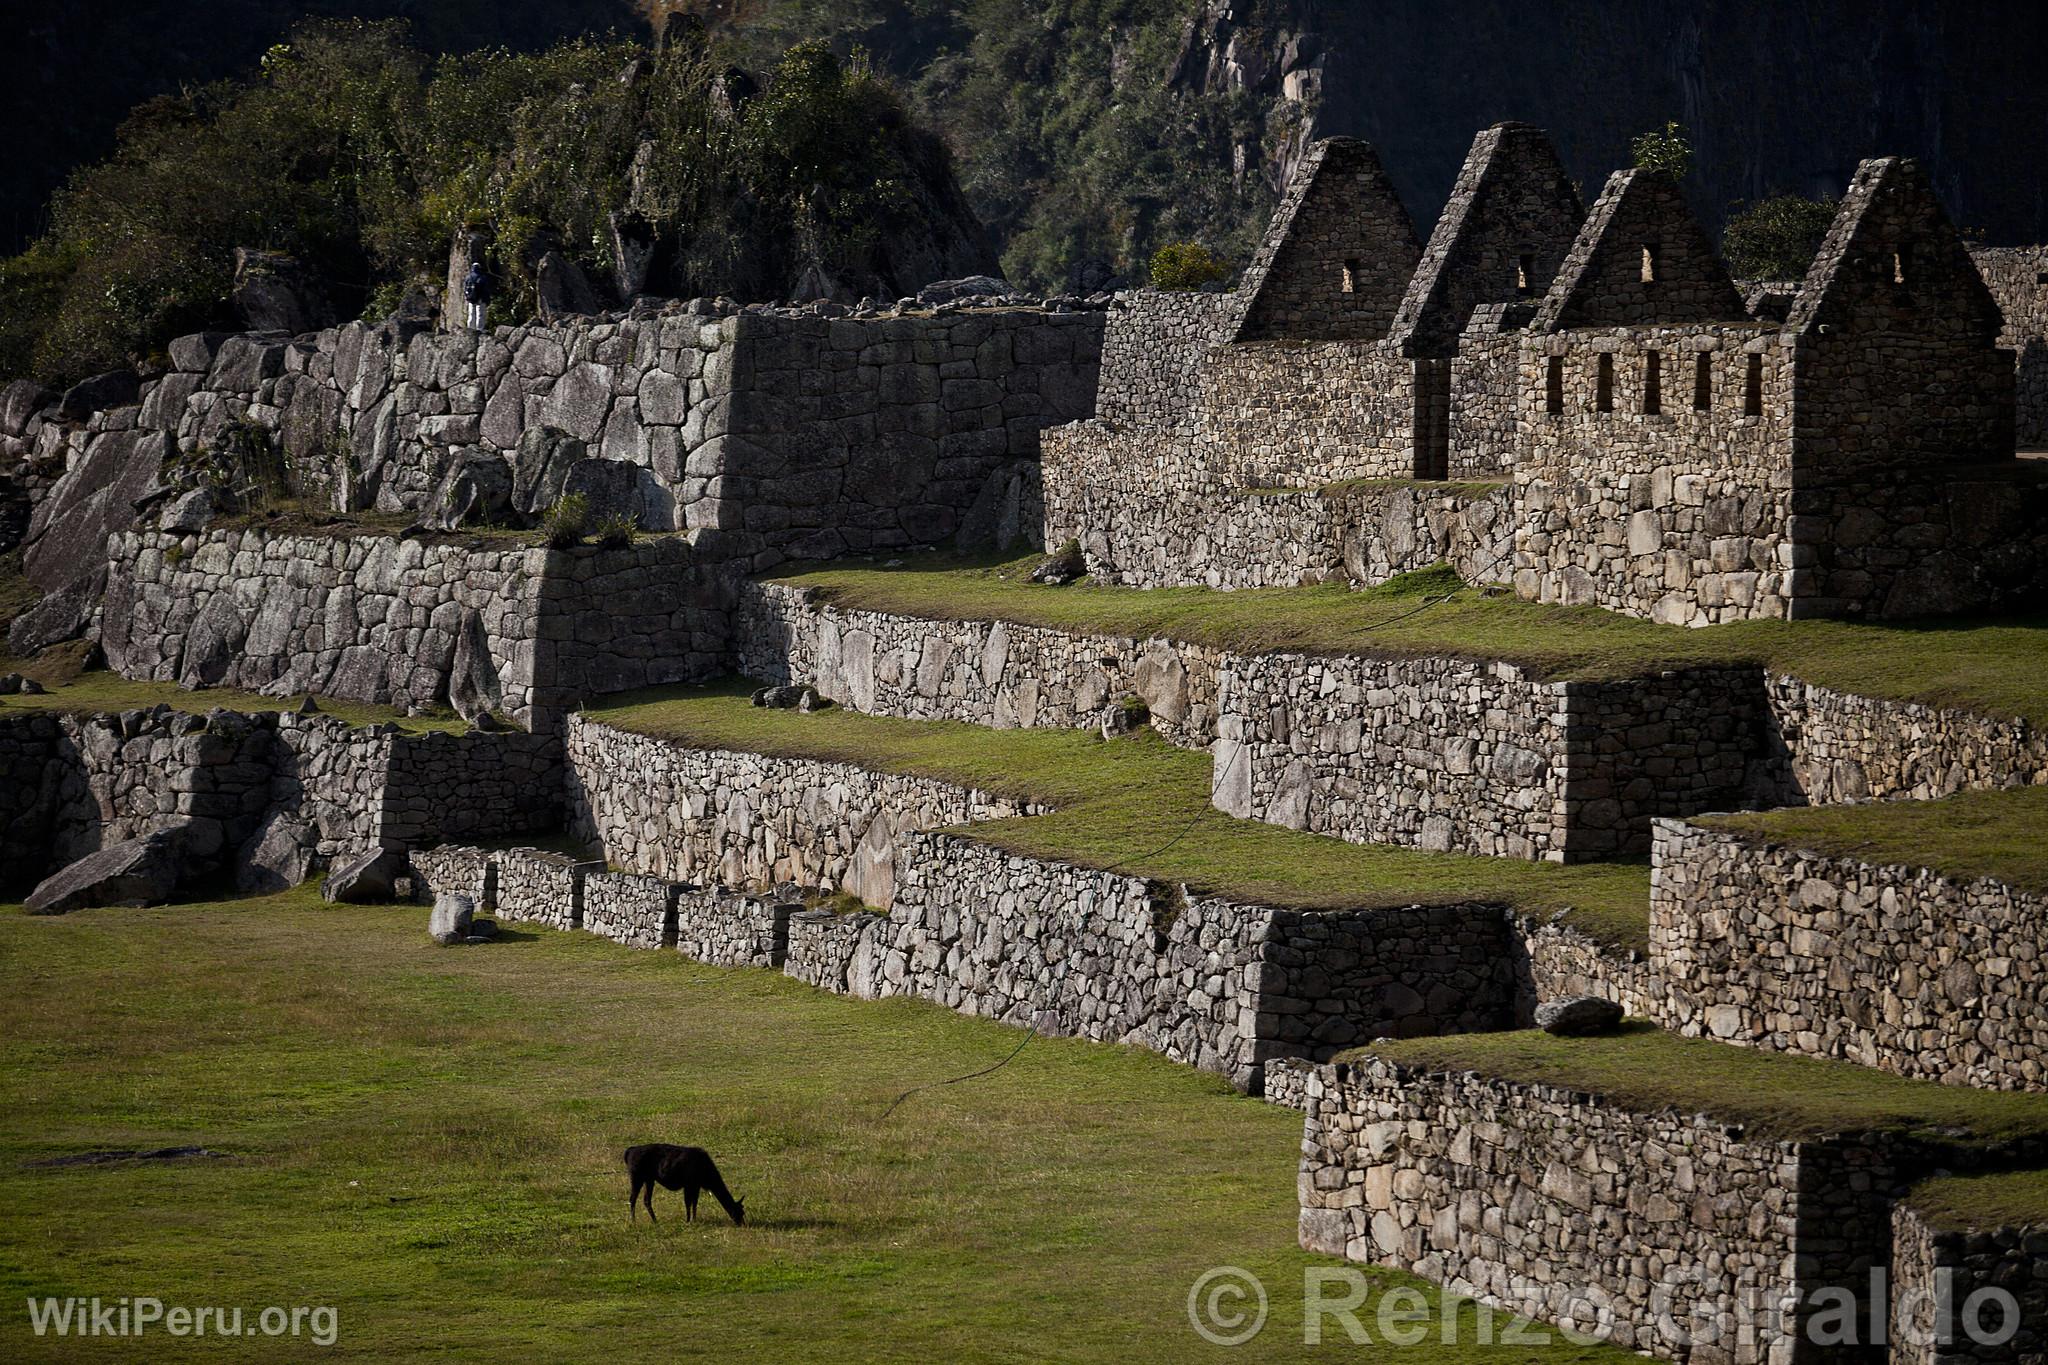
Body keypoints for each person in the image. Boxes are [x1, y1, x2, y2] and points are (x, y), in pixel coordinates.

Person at [462, 259, 494, 331]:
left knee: (471, 314)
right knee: (480, 314)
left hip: (471, 298)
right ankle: (479, 329)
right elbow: (485, 289)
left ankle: (470, 329)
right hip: (480, 298)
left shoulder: (468, 277)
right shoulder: (482, 277)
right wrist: (487, 300)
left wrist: (467, 296)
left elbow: (465, 288)